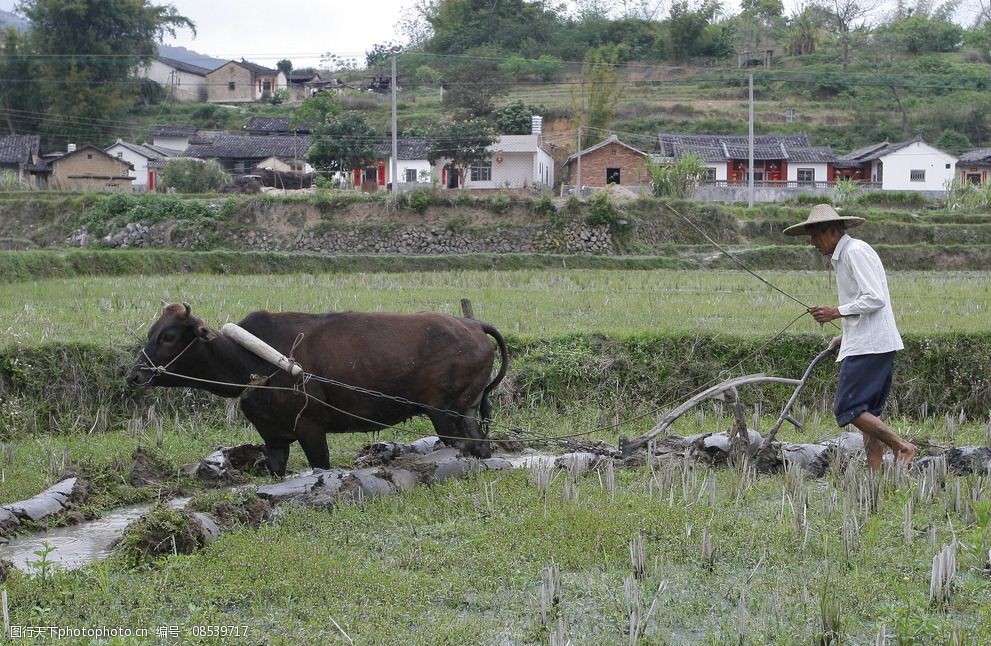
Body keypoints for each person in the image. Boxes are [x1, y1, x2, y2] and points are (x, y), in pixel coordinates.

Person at [784, 204, 916, 470]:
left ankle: (902, 446)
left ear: (832, 231)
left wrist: (835, 312)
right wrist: (844, 335)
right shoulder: (846, 256)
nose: (812, 242)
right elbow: (862, 301)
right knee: (869, 414)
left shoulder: (855, 252)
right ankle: (874, 475)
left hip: (871, 346)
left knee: (848, 408)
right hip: (869, 341)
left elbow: (875, 298)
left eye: (816, 235)